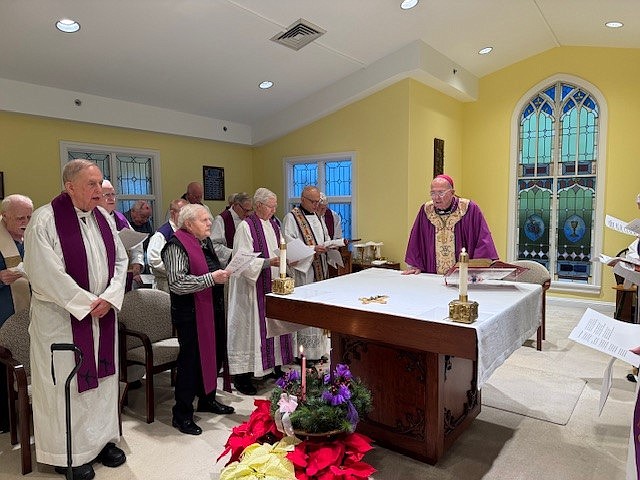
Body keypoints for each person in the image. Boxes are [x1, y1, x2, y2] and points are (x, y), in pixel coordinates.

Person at [24, 159, 129, 479]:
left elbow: (121, 261)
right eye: (92, 184)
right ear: (70, 187)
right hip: (62, 320)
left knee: (103, 382)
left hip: (101, 317)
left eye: (101, 183)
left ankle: (101, 442)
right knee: (67, 386)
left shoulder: (104, 219)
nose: (100, 190)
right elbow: (44, 274)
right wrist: (86, 302)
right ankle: (67, 452)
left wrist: (109, 298)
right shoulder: (45, 220)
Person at [161, 204, 234, 436]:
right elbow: (177, 283)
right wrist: (211, 279)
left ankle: (207, 399)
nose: (209, 223)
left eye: (209, 219)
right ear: (189, 224)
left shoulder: (204, 241)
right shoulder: (176, 245)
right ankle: (181, 414)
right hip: (190, 314)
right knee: (190, 363)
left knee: (214, 355)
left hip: (212, 308)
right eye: (204, 220)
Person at [227, 188, 295, 395]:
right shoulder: (246, 227)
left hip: (271, 284)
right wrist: (267, 262)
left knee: (273, 326)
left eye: (275, 206)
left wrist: (288, 258)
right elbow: (242, 261)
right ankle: (243, 376)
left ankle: (273, 366)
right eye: (271, 206)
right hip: (250, 290)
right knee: (250, 331)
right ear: (258, 206)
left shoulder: (273, 225)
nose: (274, 210)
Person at [283, 186, 344, 361]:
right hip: (304, 272)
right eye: (313, 201)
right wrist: (312, 249)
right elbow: (290, 244)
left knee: (319, 309)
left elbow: (324, 238)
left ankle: (318, 351)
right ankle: (303, 354)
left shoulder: (318, 216)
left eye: (318, 202)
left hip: (320, 267)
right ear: (302, 199)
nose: (317, 205)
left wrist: (331, 245)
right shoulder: (292, 218)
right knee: (306, 310)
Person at [403, 174, 498, 275]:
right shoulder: (426, 210)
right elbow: (416, 239)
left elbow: (483, 240)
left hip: (462, 277)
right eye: (433, 193)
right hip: (432, 275)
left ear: (452, 192)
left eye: (441, 192)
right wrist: (415, 265)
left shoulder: (468, 208)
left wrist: (478, 269)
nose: (436, 197)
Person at [0, 193, 33, 434]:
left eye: (29, 217)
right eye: (20, 218)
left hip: (30, 311)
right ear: (4, 217)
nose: (25, 222)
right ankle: (4, 418)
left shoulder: (31, 237)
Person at [98, 180, 144, 291]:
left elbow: (136, 243)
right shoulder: (92, 218)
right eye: (107, 195)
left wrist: (136, 263)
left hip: (123, 274)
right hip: (103, 274)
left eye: (113, 194)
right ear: (97, 196)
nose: (111, 198)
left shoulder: (121, 219)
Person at [147, 198, 187, 292]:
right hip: (165, 285)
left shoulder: (185, 232)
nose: (187, 217)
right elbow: (153, 260)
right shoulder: (161, 235)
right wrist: (175, 270)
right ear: (173, 213)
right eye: (183, 213)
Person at [210, 192, 253, 266]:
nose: (248, 214)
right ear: (236, 205)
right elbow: (213, 245)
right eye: (246, 210)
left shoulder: (248, 219)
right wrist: (232, 254)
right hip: (229, 265)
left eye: (250, 210)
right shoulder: (221, 220)